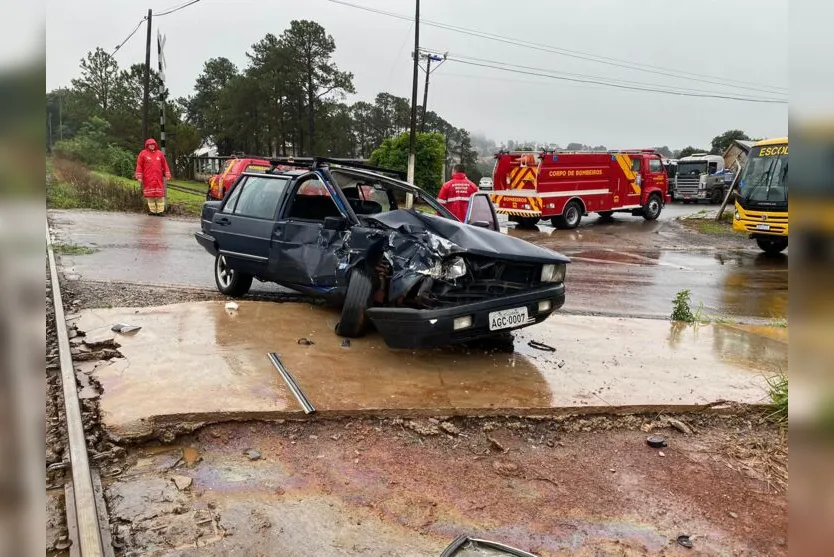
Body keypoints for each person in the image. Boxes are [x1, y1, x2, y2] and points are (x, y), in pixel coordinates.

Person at [135, 138, 171, 215]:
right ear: (147, 145)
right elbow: (139, 166)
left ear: (155, 145)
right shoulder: (143, 153)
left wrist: (167, 174)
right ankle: (153, 211)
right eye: (150, 145)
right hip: (148, 178)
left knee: (159, 195)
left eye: (153, 145)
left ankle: (160, 211)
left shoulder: (160, 154)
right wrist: (139, 177)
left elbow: (165, 164)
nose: (152, 146)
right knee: (150, 196)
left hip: (158, 178)